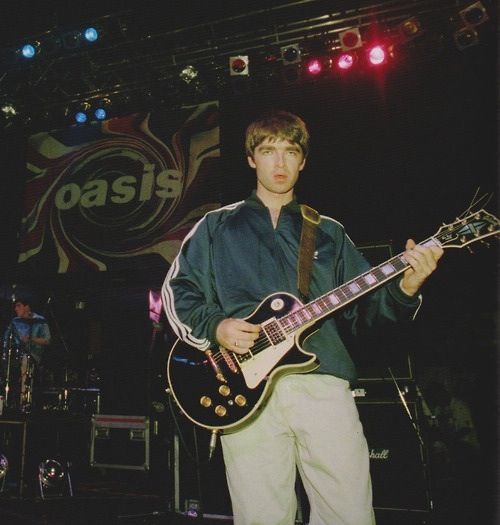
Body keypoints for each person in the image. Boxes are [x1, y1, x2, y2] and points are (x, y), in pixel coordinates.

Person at [162, 110, 443, 525]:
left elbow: (366, 315)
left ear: (303, 161)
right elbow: (178, 291)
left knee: (347, 512)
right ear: (251, 159)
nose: (280, 163)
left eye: (290, 152)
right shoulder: (216, 226)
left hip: (323, 382)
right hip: (245, 392)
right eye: (268, 151)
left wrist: (405, 288)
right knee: (261, 515)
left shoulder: (328, 231)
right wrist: (216, 327)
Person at [2, 296, 51, 412]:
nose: (15, 309)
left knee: (25, 361)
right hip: (15, 353)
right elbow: (6, 338)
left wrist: (31, 339)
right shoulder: (15, 321)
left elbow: (48, 340)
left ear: (26, 307)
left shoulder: (40, 320)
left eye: (18, 306)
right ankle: (6, 401)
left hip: (33, 354)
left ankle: (23, 402)